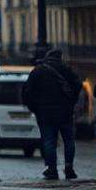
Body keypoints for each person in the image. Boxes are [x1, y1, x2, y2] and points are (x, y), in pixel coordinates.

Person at [23, 48, 82, 180]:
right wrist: (71, 102)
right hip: (65, 112)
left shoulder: (38, 71)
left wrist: (35, 108)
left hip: (45, 113)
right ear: (60, 58)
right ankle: (69, 167)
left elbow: (28, 92)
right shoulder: (67, 70)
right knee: (68, 140)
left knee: (49, 141)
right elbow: (78, 86)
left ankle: (52, 169)